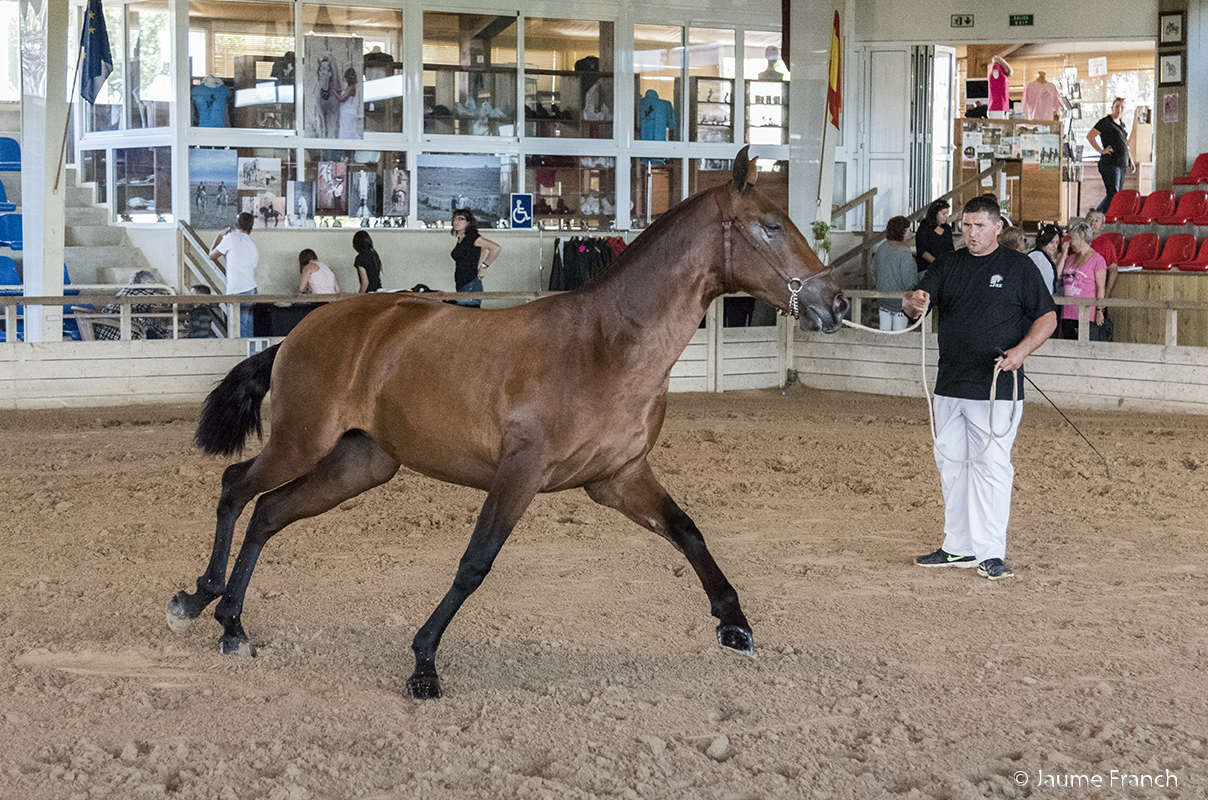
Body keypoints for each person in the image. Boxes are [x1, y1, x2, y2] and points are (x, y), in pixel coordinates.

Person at [903, 195, 1057, 580]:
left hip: (995, 387)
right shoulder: (948, 265)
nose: (971, 233)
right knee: (951, 465)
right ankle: (958, 547)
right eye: (966, 226)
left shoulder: (1018, 268)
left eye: (979, 226)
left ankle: (990, 552)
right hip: (950, 384)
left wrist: (1021, 352)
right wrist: (915, 301)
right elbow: (914, 302)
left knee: (991, 467)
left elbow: (1048, 317)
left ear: (997, 227)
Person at [208, 211, 259, 337]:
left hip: (238, 289)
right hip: (252, 289)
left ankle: (239, 356)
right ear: (251, 230)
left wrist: (219, 237)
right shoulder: (252, 246)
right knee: (248, 328)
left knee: (237, 330)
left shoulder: (230, 238)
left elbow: (211, 256)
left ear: (236, 225)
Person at [1059, 219, 1109, 341]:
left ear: (1082, 239)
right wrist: (1064, 254)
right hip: (1068, 311)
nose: (1071, 242)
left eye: (1073, 239)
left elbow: (1100, 287)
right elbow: (1058, 274)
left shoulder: (1098, 260)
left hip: (1087, 313)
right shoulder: (1070, 258)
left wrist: (1099, 310)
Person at [93, 270, 172, 341]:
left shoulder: (123, 291)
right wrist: (168, 335)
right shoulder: (147, 294)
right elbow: (168, 301)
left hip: (104, 336)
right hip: (126, 338)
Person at [1087, 97, 1135, 214]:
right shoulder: (1105, 122)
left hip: (1121, 163)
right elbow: (1090, 136)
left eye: (1122, 107)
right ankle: (1099, 215)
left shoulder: (1122, 125)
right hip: (1110, 163)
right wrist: (1101, 150)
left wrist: (1131, 160)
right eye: (1117, 106)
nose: (1119, 109)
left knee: (1117, 195)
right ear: (1112, 108)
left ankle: (1100, 215)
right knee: (1113, 193)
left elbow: (1125, 144)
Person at [868, 215, 916, 331]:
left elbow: (872, 271)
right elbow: (909, 281)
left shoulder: (882, 247)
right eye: (909, 230)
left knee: (884, 333)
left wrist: (882, 285)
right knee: (898, 336)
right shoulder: (905, 252)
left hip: (883, 301)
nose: (911, 232)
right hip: (900, 303)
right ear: (903, 232)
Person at [450, 208, 501, 308]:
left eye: (461, 219)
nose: (456, 222)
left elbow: (496, 248)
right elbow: (482, 249)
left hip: (470, 285)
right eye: (454, 219)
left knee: (467, 319)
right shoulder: (461, 237)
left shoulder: (472, 237)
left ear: (468, 222)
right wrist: (478, 264)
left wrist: (483, 268)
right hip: (462, 284)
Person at [1085, 210, 1120, 298]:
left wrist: (1105, 295)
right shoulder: (1077, 242)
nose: (1093, 223)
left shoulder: (1107, 245)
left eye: (1097, 220)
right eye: (1090, 219)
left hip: (1097, 294)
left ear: (1103, 226)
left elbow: (1113, 271)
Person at [915, 199, 954, 273]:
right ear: (935, 213)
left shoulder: (947, 229)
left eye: (947, 214)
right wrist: (937, 264)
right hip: (927, 268)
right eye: (943, 214)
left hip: (944, 268)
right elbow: (922, 251)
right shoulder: (924, 228)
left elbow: (950, 248)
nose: (946, 217)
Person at [1027, 224, 1064, 298]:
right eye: (1051, 242)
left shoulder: (1043, 257)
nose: (1055, 246)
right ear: (1044, 241)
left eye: (1057, 243)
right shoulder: (1037, 257)